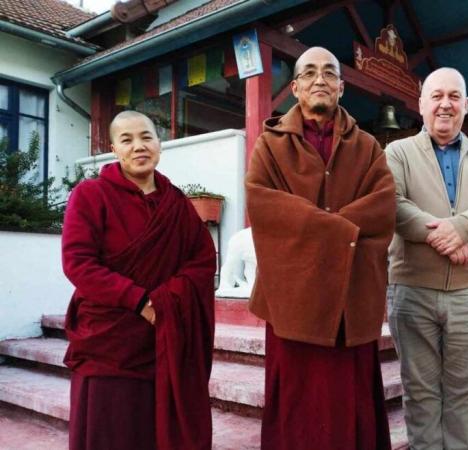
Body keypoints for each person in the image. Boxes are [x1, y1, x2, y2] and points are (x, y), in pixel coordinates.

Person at [246, 47, 396, 450]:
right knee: (298, 410)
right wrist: (340, 231)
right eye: (309, 73)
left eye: (329, 73)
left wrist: (322, 230)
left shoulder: (366, 147)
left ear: (342, 87)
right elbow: (262, 204)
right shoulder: (271, 145)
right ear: (294, 87)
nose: (320, 80)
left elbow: (383, 206)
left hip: (350, 301)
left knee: (350, 406)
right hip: (291, 301)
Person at [62, 111, 216, 450]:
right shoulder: (90, 195)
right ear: (114, 149)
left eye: (146, 137)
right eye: (127, 140)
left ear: (159, 144)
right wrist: (140, 301)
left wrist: (167, 302)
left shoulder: (176, 203)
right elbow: (78, 263)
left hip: (162, 341)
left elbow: (203, 260)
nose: (138, 146)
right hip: (108, 343)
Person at [385, 67, 468, 450]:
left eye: (454, 96)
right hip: (412, 292)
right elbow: (392, 204)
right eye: (436, 95)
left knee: (464, 395)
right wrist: (448, 237)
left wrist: (463, 226)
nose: (445, 104)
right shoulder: (397, 152)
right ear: (421, 104)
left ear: (466, 105)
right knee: (420, 395)